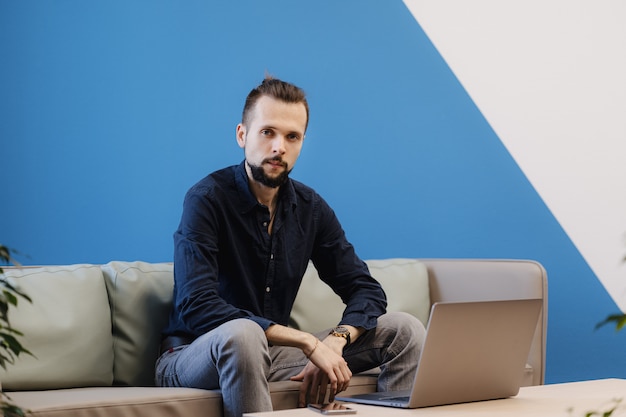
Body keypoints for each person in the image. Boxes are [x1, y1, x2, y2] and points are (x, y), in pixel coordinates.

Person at [156, 76, 426, 417]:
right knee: (243, 334)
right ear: (242, 135)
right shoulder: (207, 199)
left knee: (404, 330)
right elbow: (197, 305)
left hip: (269, 354)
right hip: (190, 357)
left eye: (291, 136)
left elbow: (366, 290)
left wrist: (336, 341)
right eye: (267, 132)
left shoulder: (310, 208)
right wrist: (307, 343)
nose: (278, 147)